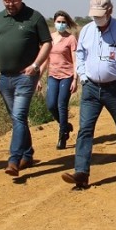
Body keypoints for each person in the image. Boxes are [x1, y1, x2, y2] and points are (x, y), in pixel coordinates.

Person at [61, 0, 116, 190]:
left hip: (115, 89)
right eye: (94, 15)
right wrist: (83, 76)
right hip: (91, 89)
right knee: (85, 130)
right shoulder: (87, 31)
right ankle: (81, 173)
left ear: (110, 11)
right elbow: (81, 55)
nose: (97, 18)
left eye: (100, 15)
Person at [0, 0, 51, 177]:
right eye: (5, 1)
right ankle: (27, 154)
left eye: (13, 0)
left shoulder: (34, 18)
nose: (9, 4)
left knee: (19, 116)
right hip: (5, 79)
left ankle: (14, 159)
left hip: (26, 77)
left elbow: (47, 43)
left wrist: (36, 65)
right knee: (17, 119)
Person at [39, 10, 78, 150]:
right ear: (54, 22)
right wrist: (38, 78)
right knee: (51, 104)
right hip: (52, 75)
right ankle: (65, 125)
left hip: (67, 75)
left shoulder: (71, 39)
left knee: (62, 104)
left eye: (63, 22)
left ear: (67, 23)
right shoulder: (49, 39)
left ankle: (62, 135)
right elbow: (44, 60)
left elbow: (75, 60)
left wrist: (75, 79)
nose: (61, 24)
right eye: (58, 22)